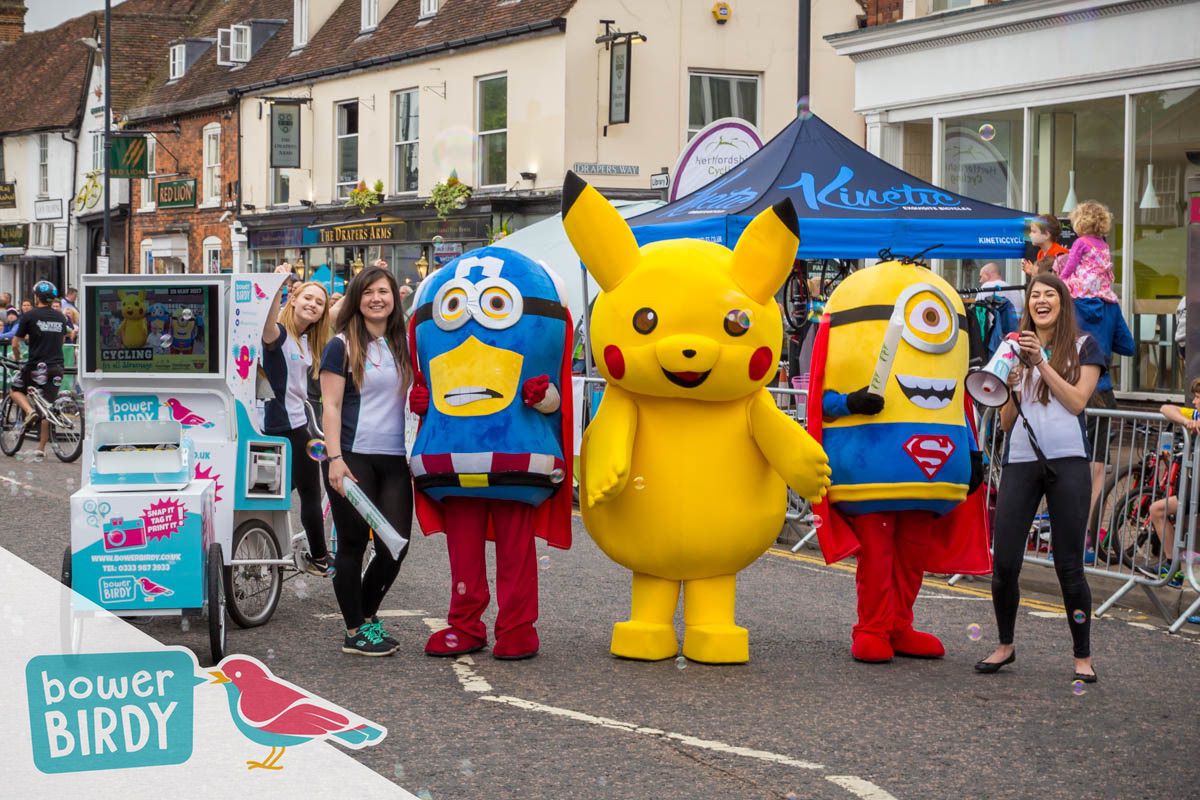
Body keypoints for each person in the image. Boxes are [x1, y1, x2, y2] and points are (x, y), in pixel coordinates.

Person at [977, 273, 1102, 683]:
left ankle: (1082, 656)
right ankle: (1005, 644)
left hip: (1067, 463)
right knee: (1005, 563)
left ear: (1063, 304)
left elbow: (1076, 401)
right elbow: (1009, 422)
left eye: (1050, 294)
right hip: (1022, 462)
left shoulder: (1085, 347)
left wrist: (1041, 363)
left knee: (1068, 566)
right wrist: (1009, 388)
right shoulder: (1013, 346)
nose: (1041, 301)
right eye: (1035, 295)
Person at [320, 265, 413, 656]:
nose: (377, 298)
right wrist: (334, 459)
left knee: (396, 545)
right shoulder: (340, 345)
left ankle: (366, 615)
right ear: (357, 299)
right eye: (369, 292)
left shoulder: (404, 344)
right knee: (354, 544)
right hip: (353, 457)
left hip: (395, 458)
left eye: (384, 292)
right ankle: (355, 628)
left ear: (394, 299)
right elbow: (331, 404)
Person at [261, 264, 333, 577]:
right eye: (308, 298)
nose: (313, 305)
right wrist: (279, 285)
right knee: (309, 493)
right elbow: (266, 322)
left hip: (297, 423)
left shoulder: (305, 341)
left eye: (319, 303)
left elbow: (339, 310)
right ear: (294, 299)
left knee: (281, 492)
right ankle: (319, 557)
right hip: (279, 427)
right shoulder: (278, 334)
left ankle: (264, 545)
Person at [1147, 380, 1200, 587]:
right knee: (1157, 510)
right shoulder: (1195, 415)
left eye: (1197, 397)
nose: (1194, 401)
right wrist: (1186, 421)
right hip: (1194, 491)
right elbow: (1166, 408)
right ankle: (1173, 568)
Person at [8, 281, 69, 462]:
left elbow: (15, 342)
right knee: (48, 406)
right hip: (57, 366)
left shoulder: (30, 316)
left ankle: (29, 410)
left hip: (36, 366)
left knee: (15, 390)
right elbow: (62, 341)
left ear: (36, 297)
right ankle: (41, 448)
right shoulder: (61, 317)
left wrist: (17, 357)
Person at [1059, 201, 1119, 304]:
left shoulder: (1080, 242)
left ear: (1080, 222)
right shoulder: (1104, 244)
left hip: (1084, 286)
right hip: (1101, 287)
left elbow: (1071, 266)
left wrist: (1060, 279)